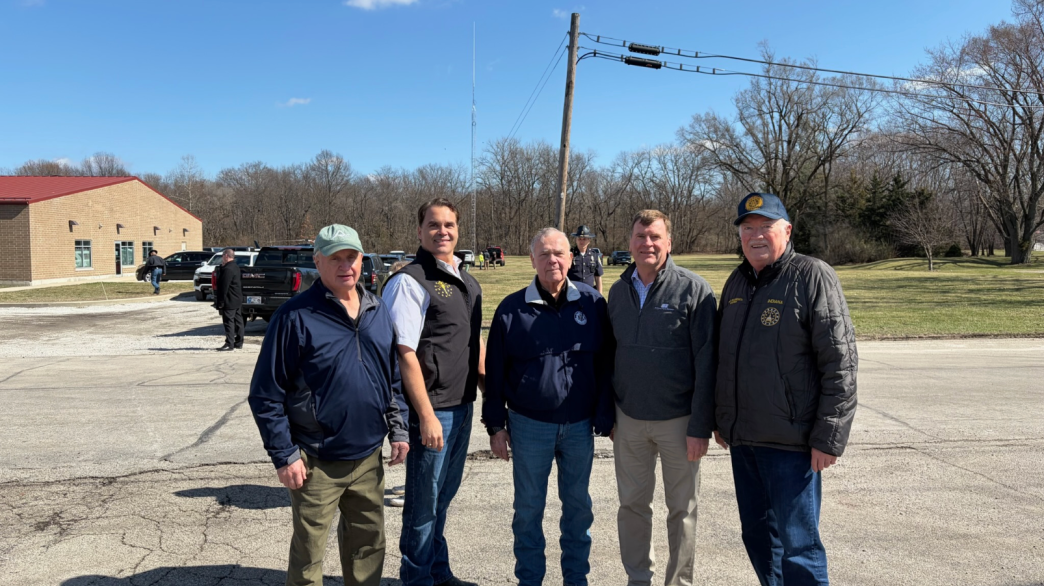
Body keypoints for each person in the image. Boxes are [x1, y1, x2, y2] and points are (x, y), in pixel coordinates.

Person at [248, 224, 409, 586]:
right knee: (308, 557)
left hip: (369, 457)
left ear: (361, 260)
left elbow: (392, 380)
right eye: (334, 258)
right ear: (317, 261)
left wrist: (399, 429)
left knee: (368, 548)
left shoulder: (378, 310)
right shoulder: (294, 317)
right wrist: (283, 453)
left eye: (351, 257)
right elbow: (265, 393)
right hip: (314, 460)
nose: (344, 265)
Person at [714, 193, 858, 586]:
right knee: (759, 539)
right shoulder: (736, 282)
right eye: (747, 229)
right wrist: (723, 420)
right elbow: (725, 357)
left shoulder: (812, 275)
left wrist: (828, 437)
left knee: (800, 547)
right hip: (744, 442)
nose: (755, 236)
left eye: (765, 227)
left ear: (787, 231)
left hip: (792, 446)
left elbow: (839, 361)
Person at [483, 227, 614, 586]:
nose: (552, 260)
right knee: (527, 510)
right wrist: (496, 426)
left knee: (578, 510)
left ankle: (576, 579)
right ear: (532, 260)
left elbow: (606, 363)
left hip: (578, 426)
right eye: (544, 254)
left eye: (559, 253)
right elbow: (494, 373)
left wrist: (606, 412)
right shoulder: (512, 310)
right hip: (529, 425)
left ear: (571, 258)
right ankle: (530, 580)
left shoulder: (591, 303)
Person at [607, 210, 718, 586]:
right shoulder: (618, 291)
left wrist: (701, 424)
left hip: (680, 421)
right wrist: (610, 414)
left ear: (669, 242)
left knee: (682, 511)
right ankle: (638, 578)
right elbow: (611, 355)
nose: (647, 244)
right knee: (632, 507)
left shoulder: (694, 289)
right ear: (630, 243)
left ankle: (678, 582)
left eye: (655, 237)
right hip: (629, 421)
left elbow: (708, 363)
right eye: (640, 237)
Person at [383, 198, 484, 586]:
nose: (443, 231)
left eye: (449, 225)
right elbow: (404, 352)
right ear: (419, 231)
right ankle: (417, 578)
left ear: (458, 229)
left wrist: (491, 399)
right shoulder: (410, 280)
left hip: (462, 406)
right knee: (422, 505)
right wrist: (424, 415)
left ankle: (438, 573)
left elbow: (474, 344)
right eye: (433, 225)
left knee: (442, 498)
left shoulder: (465, 279)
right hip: (432, 410)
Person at [214, 248, 244, 351]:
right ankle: (239, 342)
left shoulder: (228, 269)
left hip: (230, 299)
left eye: (222, 256)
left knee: (228, 321)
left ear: (226, 256)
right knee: (238, 321)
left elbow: (224, 286)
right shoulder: (235, 266)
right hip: (237, 298)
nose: (222, 258)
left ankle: (229, 343)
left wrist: (221, 301)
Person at [567, 225, 604, 295]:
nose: (581, 241)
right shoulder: (569, 255)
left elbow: (598, 277)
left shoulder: (594, 255)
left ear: (589, 240)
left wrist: (599, 296)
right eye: (579, 239)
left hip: (589, 294)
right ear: (576, 240)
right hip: (573, 294)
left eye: (584, 239)